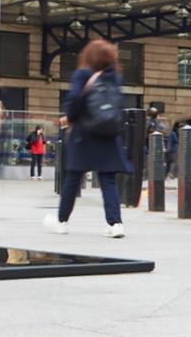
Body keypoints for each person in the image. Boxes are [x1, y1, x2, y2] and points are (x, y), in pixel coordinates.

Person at [43, 39, 132, 238]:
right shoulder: (114, 77)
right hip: (108, 135)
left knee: (73, 179)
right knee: (108, 180)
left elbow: (75, 99)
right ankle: (115, 224)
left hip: (84, 133)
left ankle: (61, 221)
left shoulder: (82, 74)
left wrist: (70, 118)